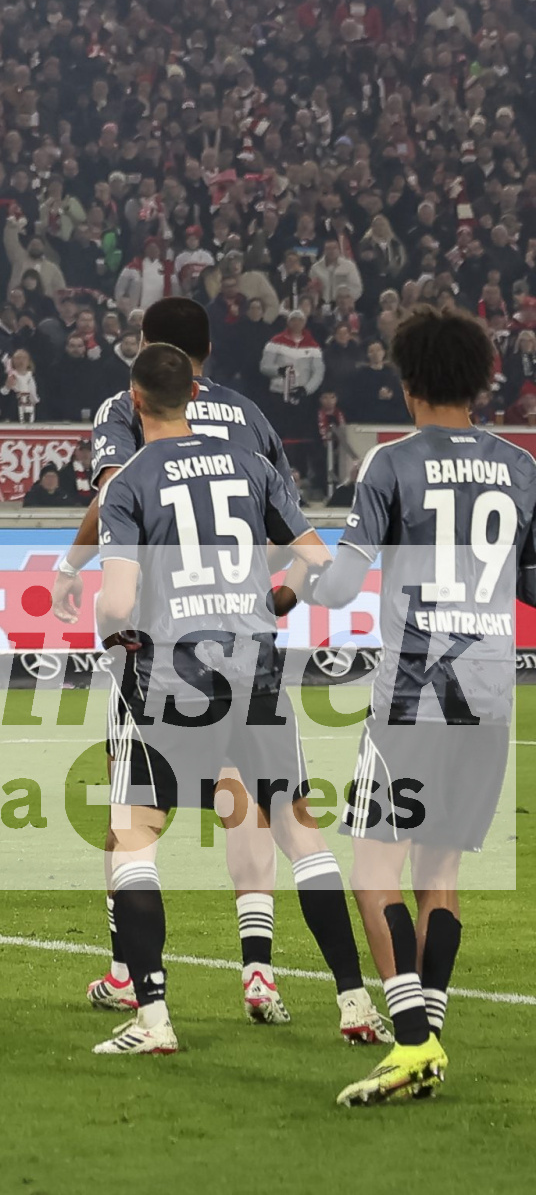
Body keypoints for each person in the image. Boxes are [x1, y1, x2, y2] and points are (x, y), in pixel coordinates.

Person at [90, 343, 379, 1055]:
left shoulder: (129, 481)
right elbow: (319, 563)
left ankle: (154, 1019)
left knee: (135, 833)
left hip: (172, 673)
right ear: (194, 393)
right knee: (300, 831)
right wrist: (272, 591)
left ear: (135, 400)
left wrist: (111, 630)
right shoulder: (251, 465)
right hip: (255, 667)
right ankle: (354, 1001)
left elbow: (118, 602)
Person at [50, 299, 316, 1024]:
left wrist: (71, 565)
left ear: (145, 349)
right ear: (209, 352)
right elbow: (287, 521)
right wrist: (264, 587)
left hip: (160, 639)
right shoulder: (251, 416)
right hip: (245, 636)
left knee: (132, 809)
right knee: (246, 801)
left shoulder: (125, 404)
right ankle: (259, 973)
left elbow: (115, 494)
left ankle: (126, 973)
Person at [300, 308, 536, 1106]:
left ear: (407, 383)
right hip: (490, 698)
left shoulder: (391, 462)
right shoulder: (520, 466)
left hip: (412, 696)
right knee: (440, 870)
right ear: (480, 381)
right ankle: (428, 1034)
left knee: (375, 870)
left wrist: (294, 581)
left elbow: (342, 584)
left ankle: (410, 1040)